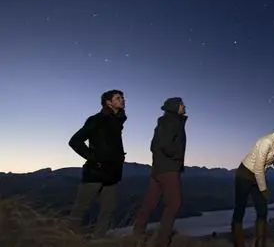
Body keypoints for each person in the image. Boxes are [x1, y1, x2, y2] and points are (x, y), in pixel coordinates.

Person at [67, 89, 127, 238]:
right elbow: (75, 141)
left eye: (122, 98)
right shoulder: (96, 119)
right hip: (96, 172)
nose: (123, 100)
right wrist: (94, 158)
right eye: (118, 98)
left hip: (112, 174)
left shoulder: (117, 121)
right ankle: (67, 237)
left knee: (109, 208)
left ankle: (99, 239)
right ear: (108, 102)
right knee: (81, 207)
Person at [231, 123, 274, 247]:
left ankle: (260, 244)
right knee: (239, 210)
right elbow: (258, 168)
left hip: (258, 175)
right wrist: (264, 190)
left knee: (262, 211)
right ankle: (238, 244)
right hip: (245, 174)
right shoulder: (267, 142)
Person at [132, 97, 188, 247]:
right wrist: (176, 157)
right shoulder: (173, 122)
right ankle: (162, 241)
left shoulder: (163, 122)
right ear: (175, 107)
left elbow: (153, 145)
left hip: (158, 169)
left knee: (149, 203)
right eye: (182, 104)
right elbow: (165, 145)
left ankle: (137, 234)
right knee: (174, 204)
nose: (184, 106)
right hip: (168, 169)